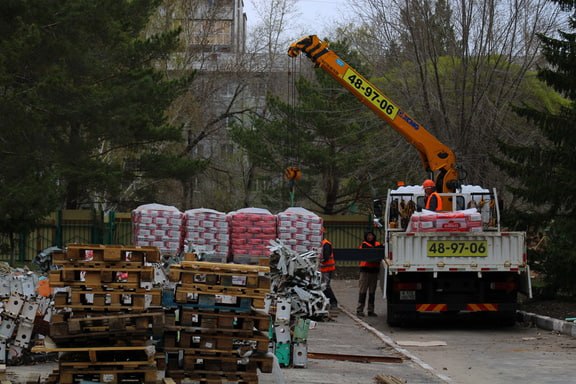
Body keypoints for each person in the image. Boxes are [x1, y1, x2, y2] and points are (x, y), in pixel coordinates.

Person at [356, 231, 381, 317]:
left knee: (372, 292)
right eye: (368, 235)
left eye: (371, 235)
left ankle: (371, 310)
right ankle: (359, 310)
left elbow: (380, 249)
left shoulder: (377, 244)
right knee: (363, 291)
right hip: (365, 271)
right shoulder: (364, 245)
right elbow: (372, 251)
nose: (370, 237)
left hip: (374, 271)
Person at [320, 231, 338, 310]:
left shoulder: (326, 244)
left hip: (326, 269)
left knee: (325, 286)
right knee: (322, 286)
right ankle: (326, 302)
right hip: (323, 269)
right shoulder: (320, 243)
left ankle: (333, 302)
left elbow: (326, 257)